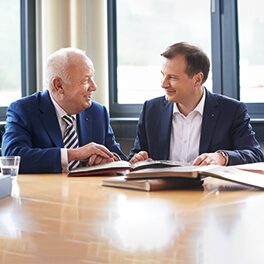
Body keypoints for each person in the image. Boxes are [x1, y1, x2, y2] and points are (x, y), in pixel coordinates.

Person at [128, 42, 264, 166]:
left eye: (172, 77)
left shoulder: (232, 110)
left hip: (210, 191)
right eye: (163, 75)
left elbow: (255, 155)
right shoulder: (151, 110)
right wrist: (138, 159)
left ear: (197, 79)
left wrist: (222, 157)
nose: (163, 84)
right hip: (162, 191)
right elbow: (137, 154)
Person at [2, 47, 127, 173]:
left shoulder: (98, 112)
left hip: (89, 191)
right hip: (44, 191)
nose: (94, 87)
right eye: (85, 80)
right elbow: (11, 157)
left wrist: (111, 161)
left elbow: (120, 158)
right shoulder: (24, 110)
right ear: (59, 85)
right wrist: (73, 154)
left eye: (92, 78)